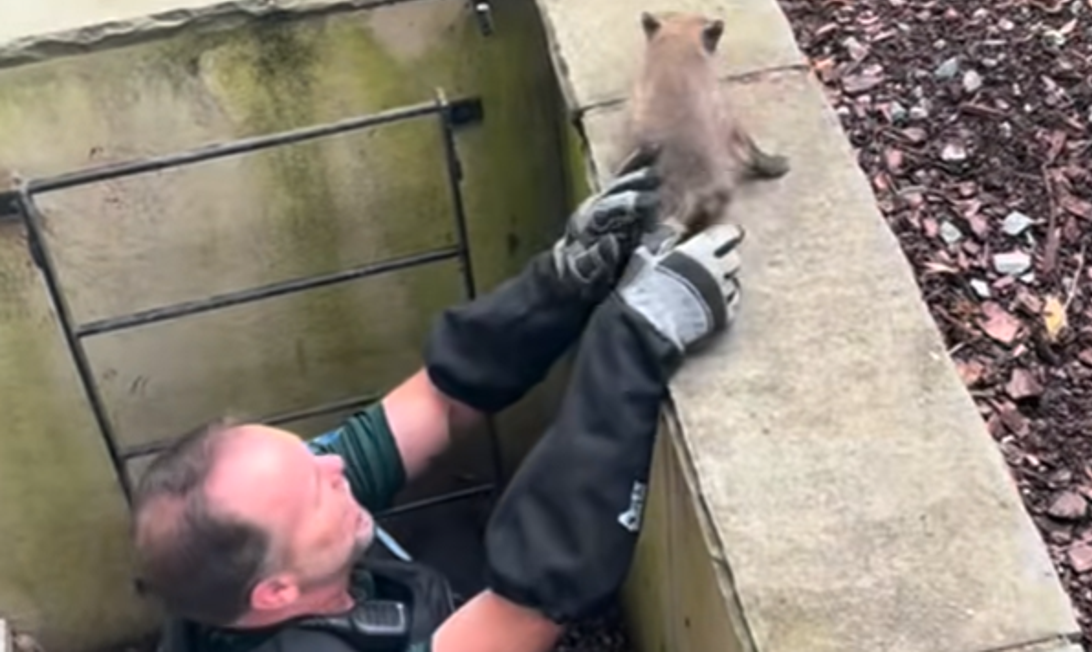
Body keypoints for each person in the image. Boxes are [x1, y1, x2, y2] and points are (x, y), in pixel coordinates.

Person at [131, 157, 746, 652]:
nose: (334, 464)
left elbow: (442, 400)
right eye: (315, 488)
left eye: (307, 455)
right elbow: (530, 609)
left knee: (454, 544)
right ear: (276, 593)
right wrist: (636, 337)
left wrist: (562, 282)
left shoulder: (261, 542)